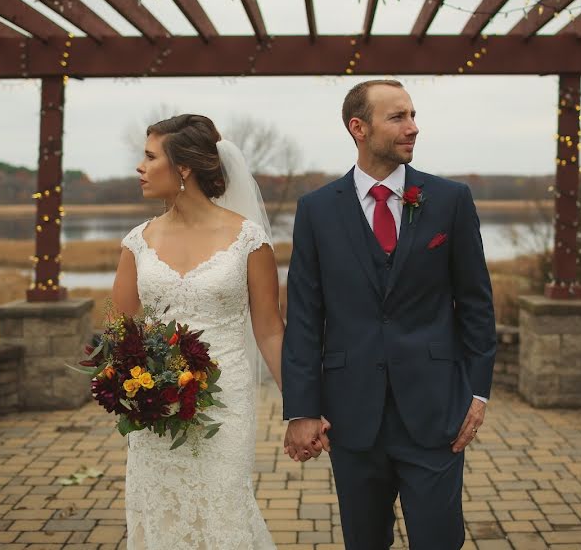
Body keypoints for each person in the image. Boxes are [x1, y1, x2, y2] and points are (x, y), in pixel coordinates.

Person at [282, 80, 497, 549]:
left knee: (439, 540)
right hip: (351, 412)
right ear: (358, 128)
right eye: (398, 117)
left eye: (414, 115)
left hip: (437, 408)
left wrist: (477, 393)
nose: (413, 128)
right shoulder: (316, 210)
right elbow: (303, 316)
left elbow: (477, 305)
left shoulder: (450, 200)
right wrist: (301, 409)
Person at [111, 114, 282, 549]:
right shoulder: (137, 241)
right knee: (162, 512)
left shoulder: (249, 239)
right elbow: (122, 333)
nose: (141, 167)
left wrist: (302, 408)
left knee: (223, 509)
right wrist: (137, 387)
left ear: (183, 166)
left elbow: (270, 331)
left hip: (225, 406)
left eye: (150, 157)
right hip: (156, 407)